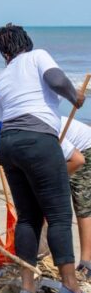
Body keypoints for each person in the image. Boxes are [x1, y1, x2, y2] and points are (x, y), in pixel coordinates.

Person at [0, 23, 91, 293]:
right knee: (59, 214)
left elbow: (4, 121)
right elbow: (56, 79)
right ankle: (71, 286)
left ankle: (27, 288)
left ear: (3, 52)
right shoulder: (37, 56)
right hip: (37, 140)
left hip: (8, 144)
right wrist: (75, 97)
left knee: (28, 217)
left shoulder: (2, 79)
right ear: (27, 42)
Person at [60, 116, 91, 278]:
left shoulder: (45, 125)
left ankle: (87, 263)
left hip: (85, 148)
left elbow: (78, 160)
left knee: (82, 203)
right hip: (65, 151)